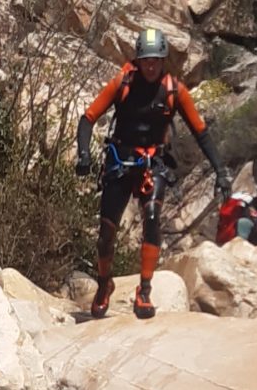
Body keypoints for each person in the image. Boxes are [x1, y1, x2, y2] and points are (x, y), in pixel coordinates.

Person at [75, 26, 228, 319]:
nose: (151, 65)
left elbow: (201, 132)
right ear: (138, 59)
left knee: (154, 220)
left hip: (152, 165)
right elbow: (88, 118)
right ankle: (104, 285)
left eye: (156, 60)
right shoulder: (124, 82)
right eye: (146, 59)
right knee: (106, 233)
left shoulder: (174, 90)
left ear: (163, 59)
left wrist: (221, 171)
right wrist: (84, 153)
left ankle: (144, 290)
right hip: (121, 161)